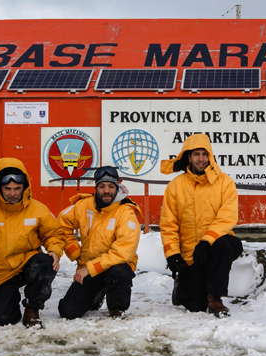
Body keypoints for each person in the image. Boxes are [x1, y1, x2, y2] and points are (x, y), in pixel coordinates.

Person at [0, 158, 65, 328]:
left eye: (17, 189)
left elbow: (54, 233)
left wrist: (55, 249)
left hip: (27, 263)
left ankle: (32, 309)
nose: (13, 194)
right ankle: (5, 300)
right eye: (8, 189)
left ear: (24, 187)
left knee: (45, 262)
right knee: (3, 319)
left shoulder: (37, 208)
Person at [159, 134, 243, 317]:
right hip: (192, 255)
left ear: (210, 156)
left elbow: (227, 217)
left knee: (223, 245)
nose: (201, 159)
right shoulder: (175, 186)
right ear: (188, 157)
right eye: (196, 154)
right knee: (195, 304)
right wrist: (172, 253)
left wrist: (206, 241)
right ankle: (181, 285)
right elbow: (168, 224)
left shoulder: (225, 182)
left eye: (205, 154)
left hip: (218, 245)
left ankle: (215, 298)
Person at [57, 166, 142, 319]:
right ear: (96, 187)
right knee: (67, 311)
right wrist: (76, 253)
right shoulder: (84, 205)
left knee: (119, 272)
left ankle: (117, 308)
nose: (106, 190)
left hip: (115, 266)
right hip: (89, 266)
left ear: (117, 186)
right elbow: (61, 224)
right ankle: (97, 293)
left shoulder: (126, 212)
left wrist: (89, 269)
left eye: (111, 186)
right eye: (102, 186)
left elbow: (123, 252)